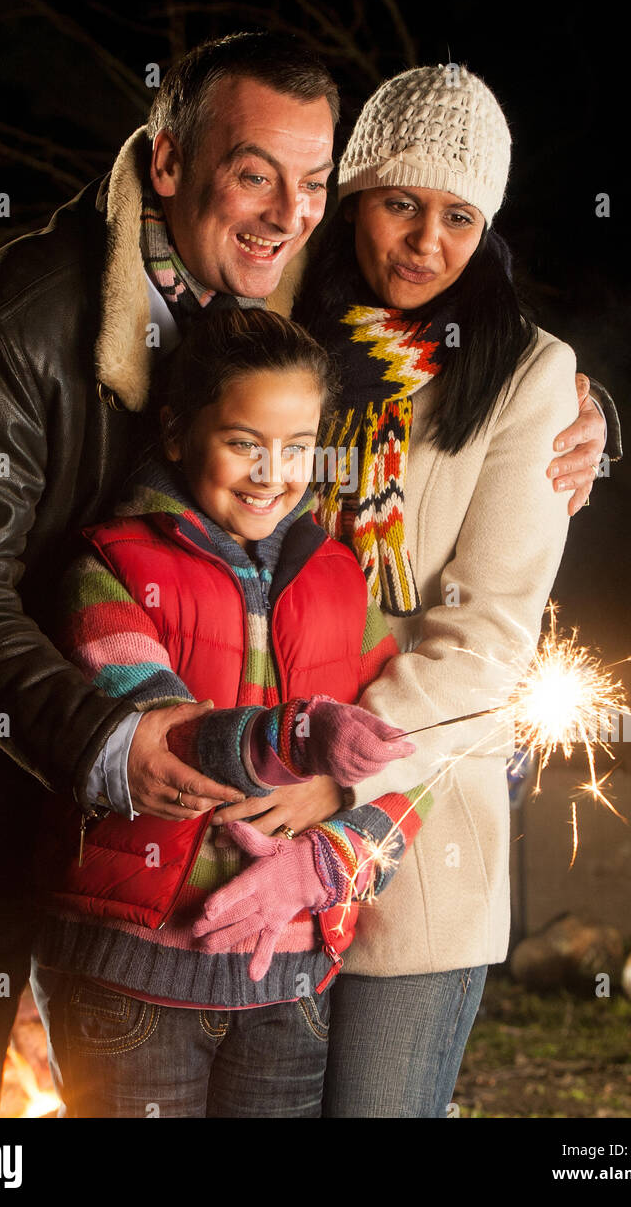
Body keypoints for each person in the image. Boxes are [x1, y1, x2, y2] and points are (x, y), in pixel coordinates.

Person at [0, 32, 609, 1117]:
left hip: (214, 814)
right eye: (254, 172)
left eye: (311, 183)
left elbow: (476, 396)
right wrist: (110, 740)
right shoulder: (13, 324)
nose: (285, 211)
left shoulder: (296, 301)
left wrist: (591, 419)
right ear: (168, 162)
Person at [195, 63, 614, 1117]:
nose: (426, 242)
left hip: (411, 821)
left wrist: (333, 775)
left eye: (459, 217)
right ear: (350, 202)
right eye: (399, 204)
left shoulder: (525, 379)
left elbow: (482, 638)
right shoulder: (274, 335)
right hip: (251, 797)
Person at [33, 306, 444, 1117]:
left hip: (293, 990)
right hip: (131, 983)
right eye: (245, 443)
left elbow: (414, 771)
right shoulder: (108, 565)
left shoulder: (340, 579)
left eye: (296, 447)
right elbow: (159, 738)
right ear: (180, 432)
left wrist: (337, 857)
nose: (273, 473)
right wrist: (295, 735)